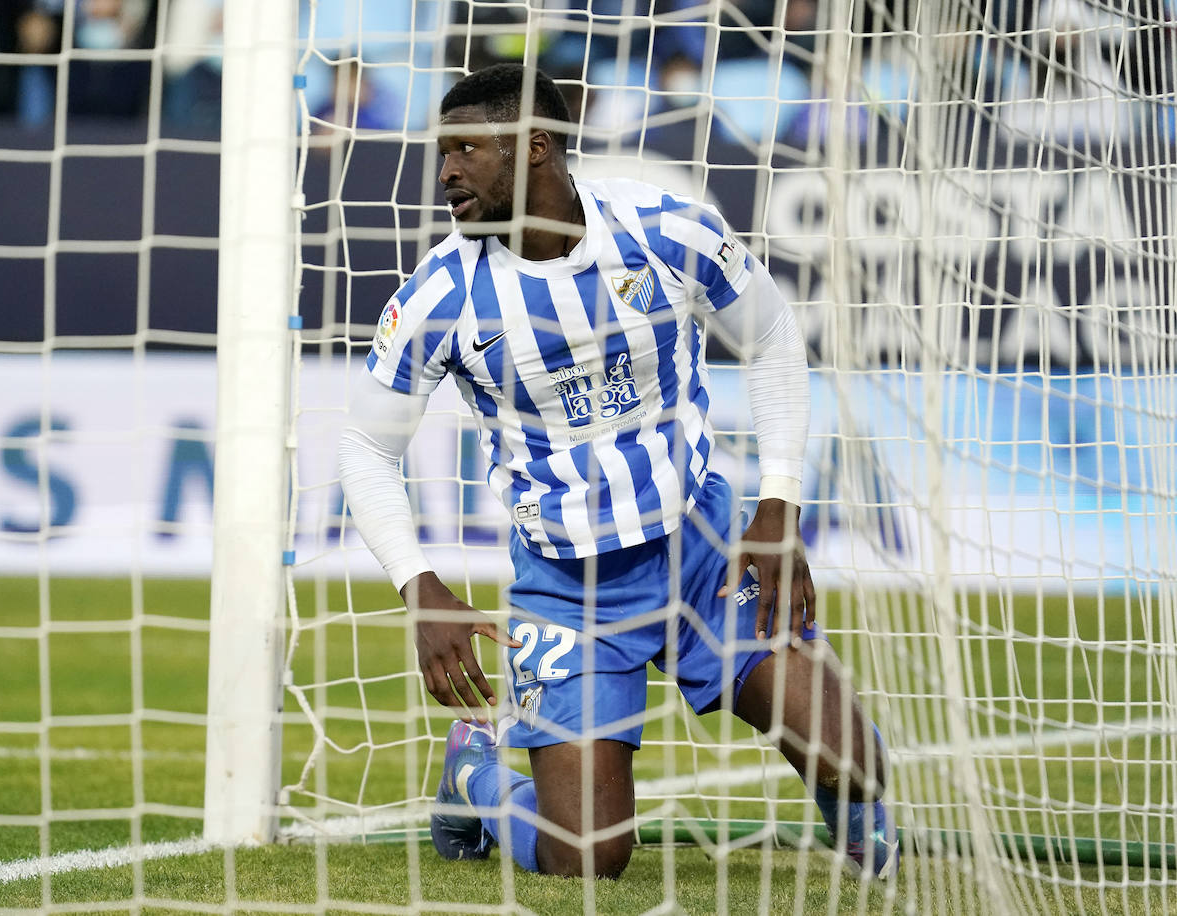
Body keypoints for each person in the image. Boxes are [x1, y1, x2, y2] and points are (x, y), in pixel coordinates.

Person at [336, 63, 900, 881]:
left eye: (464, 150)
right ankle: (476, 776)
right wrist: (419, 587)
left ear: (533, 146)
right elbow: (366, 447)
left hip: (703, 549)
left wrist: (778, 507)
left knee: (859, 763)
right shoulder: (439, 296)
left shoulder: (666, 230)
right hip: (569, 587)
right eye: (441, 153)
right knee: (590, 857)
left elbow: (774, 338)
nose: (446, 172)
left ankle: (849, 806)